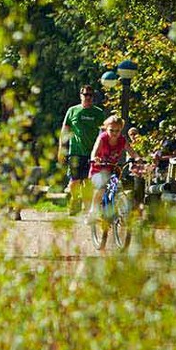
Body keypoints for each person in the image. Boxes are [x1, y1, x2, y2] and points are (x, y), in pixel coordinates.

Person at [57, 85, 104, 215]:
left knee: (88, 181)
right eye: (85, 95)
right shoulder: (73, 111)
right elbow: (65, 130)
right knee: (74, 181)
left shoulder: (98, 112)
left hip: (92, 152)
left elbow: (104, 132)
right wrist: (61, 148)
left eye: (90, 95)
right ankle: (74, 199)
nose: (88, 97)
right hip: (75, 151)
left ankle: (86, 206)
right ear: (80, 95)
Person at [88, 115, 131, 249]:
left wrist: (138, 158)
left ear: (121, 130)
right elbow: (94, 151)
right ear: (106, 128)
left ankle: (115, 210)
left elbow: (131, 151)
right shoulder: (102, 138)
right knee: (101, 188)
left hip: (112, 169)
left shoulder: (122, 140)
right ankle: (93, 211)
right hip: (98, 169)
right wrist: (95, 157)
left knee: (116, 187)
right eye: (111, 130)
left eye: (117, 131)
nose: (114, 133)